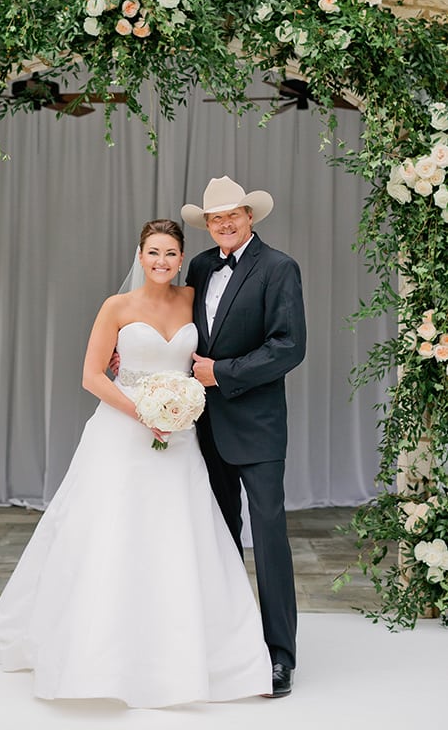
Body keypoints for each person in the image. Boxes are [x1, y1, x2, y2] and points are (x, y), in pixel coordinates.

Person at [0, 219, 272, 708]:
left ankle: (195, 653)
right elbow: (92, 375)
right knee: (111, 533)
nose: (162, 261)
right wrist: (145, 414)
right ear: (140, 255)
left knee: (180, 535)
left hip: (179, 437)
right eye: (153, 252)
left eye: (171, 253)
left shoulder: (191, 299)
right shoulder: (117, 307)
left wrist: (175, 409)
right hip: (122, 432)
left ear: (181, 258)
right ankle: (100, 654)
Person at [181, 176, 306, 698]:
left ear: (250, 217)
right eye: (215, 218)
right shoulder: (201, 266)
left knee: (269, 538)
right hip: (204, 426)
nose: (225, 224)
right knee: (217, 534)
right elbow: (182, 331)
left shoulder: (278, 268)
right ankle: (227, 642)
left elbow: (288, 347)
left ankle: (280, 655)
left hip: (256, 427)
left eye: (233, 214)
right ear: (207, 225)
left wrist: (223, 373)